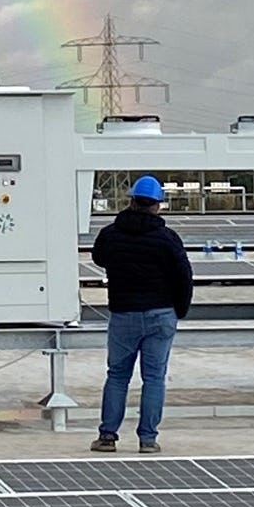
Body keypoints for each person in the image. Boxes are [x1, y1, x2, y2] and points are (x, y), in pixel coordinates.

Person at [89, 175, 193, 454]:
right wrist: (179, 310)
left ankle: (107, 435)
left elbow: (98, 257)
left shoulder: (111, 234)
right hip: (160, 314)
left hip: (123, 314)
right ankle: (148, 439)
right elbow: (184, 276)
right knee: (154, 377)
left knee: (118, 376)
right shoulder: (168, 239)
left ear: (131, 201)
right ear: (157, 205)